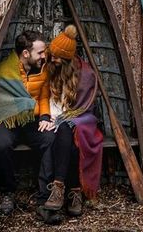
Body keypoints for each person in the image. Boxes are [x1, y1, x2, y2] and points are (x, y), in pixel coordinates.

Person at [0, 30, 55, 216]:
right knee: (1, 144)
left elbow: (44, 96)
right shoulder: (5, 70)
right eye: (40, 52)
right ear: (26, 53)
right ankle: (8, 193)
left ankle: (45, 196)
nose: (44, 56)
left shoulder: (43, 69)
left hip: (32, 119)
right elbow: (1, 102)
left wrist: (45, 117)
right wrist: (32, 109)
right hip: (8, 118)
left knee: (50, 138)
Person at [40, 24, 103, 218]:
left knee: (69, 129)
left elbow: (82, 108)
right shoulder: (52, 68)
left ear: (68, 60)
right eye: (53, 55)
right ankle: (71, 190)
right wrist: (51, 117)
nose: (53, 59)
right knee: (69, 137)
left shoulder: (85, 75)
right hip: (62, 119)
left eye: (58, 57)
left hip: (83, 118)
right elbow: (51, 98)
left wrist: (60, 119)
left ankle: (62, 189)